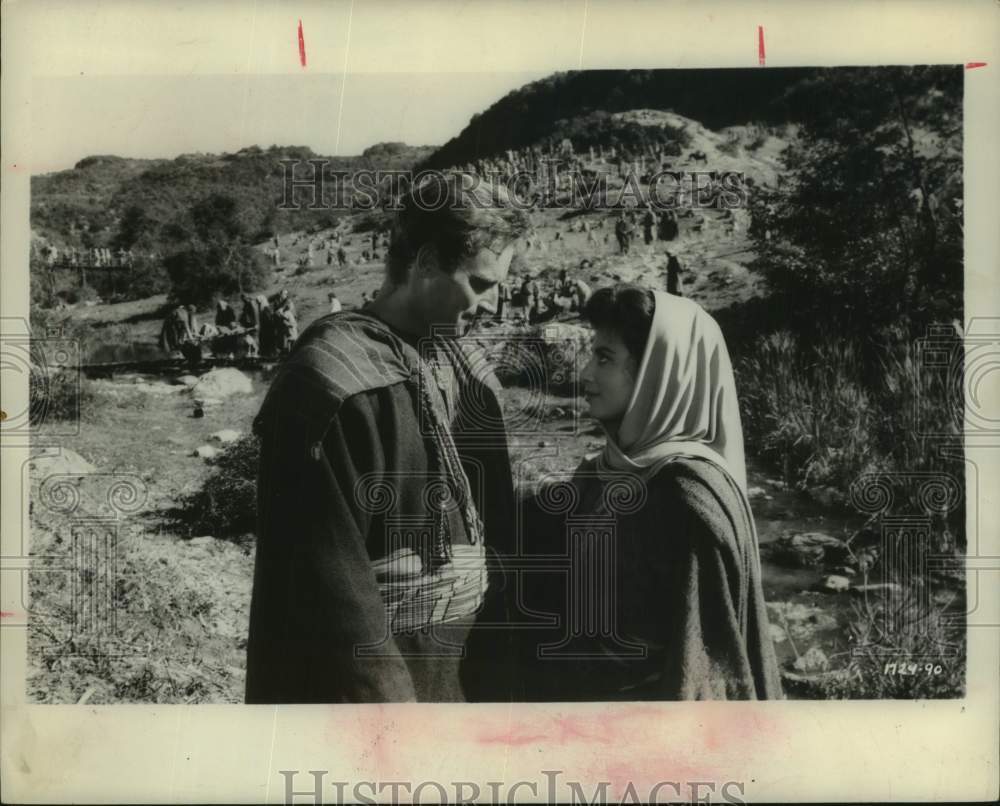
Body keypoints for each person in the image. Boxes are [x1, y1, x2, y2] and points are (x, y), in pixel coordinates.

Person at [246, 173, 527, 703]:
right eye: (481, 284)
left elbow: (499, 530)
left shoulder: (468, 372)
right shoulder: (330, 384)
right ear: (423, 263)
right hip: (384, 689)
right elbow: (332, 593)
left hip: (467, 675)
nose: (492, 306)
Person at [518, 285, 782, 701]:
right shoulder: (606, 471)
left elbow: (702, 667)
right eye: (592, 354)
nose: (585, 374)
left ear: (657, 376)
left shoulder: (686, 495)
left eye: (604, 358)